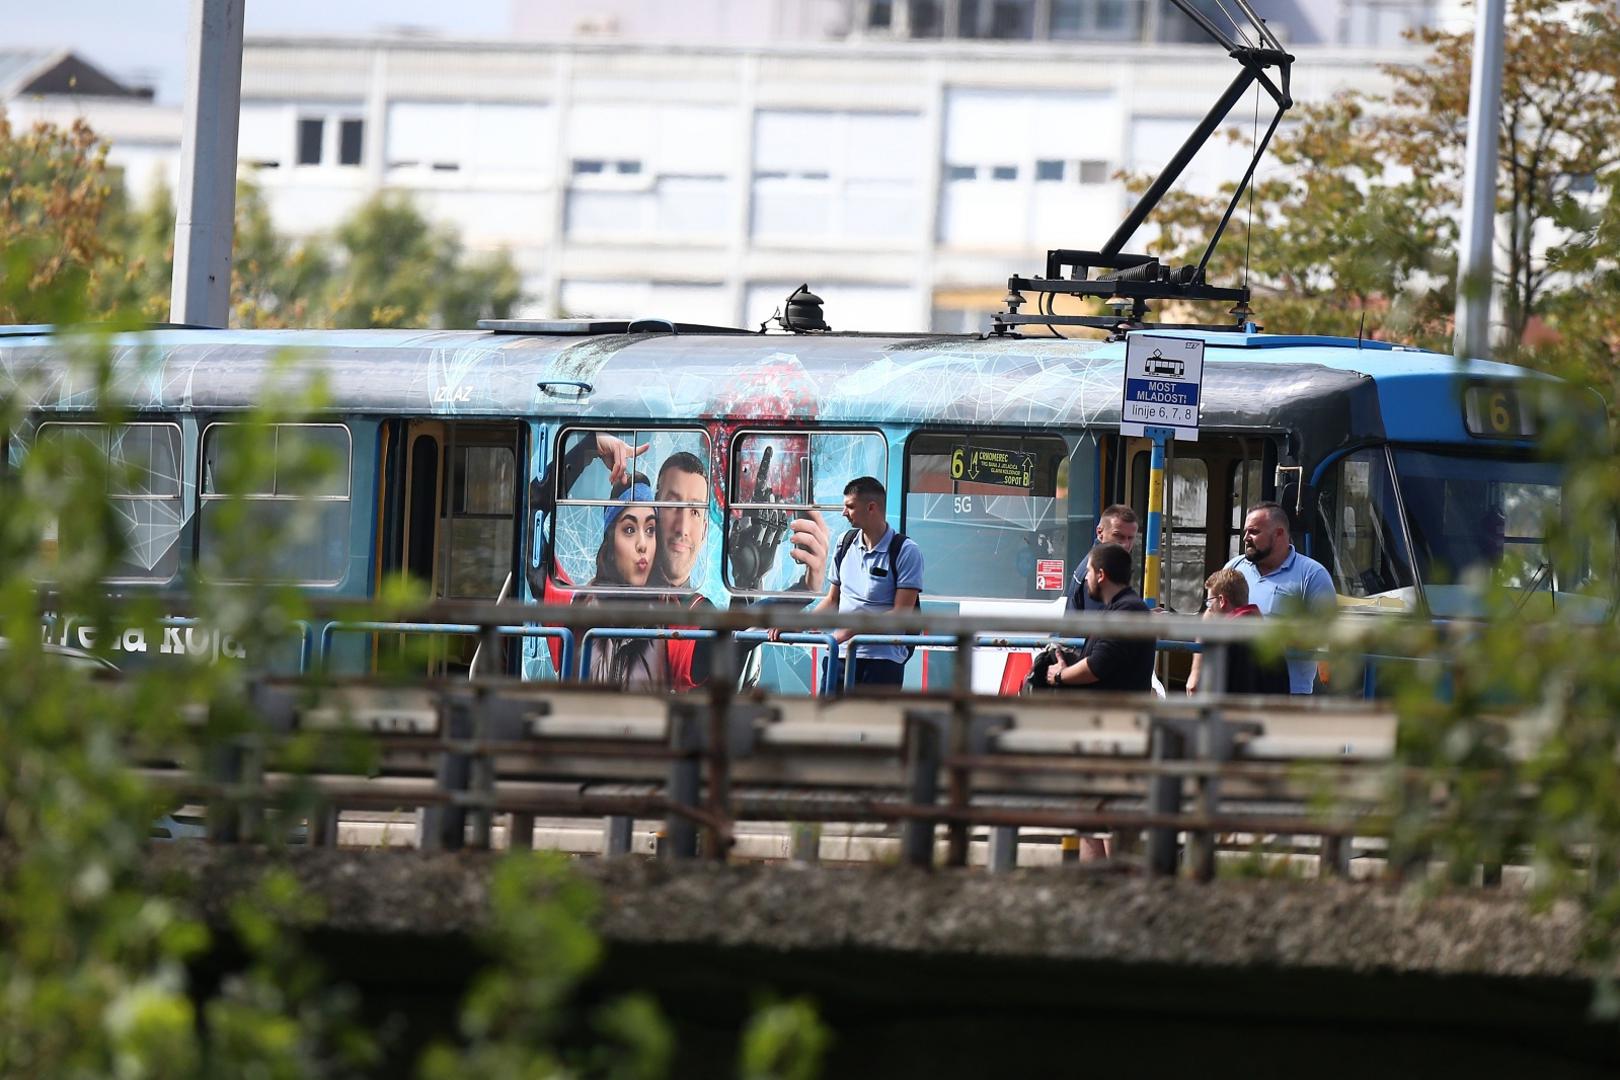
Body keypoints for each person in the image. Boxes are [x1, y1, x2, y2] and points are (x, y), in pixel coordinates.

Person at [774, 476, 922, 688]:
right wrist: (798, 625)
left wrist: (853, 629)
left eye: (850, 507)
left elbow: (901, 615)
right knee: (829, 720)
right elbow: (833, 601)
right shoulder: (845, 542)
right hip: (840, 654)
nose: (844, 513)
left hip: (882, 661)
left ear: (872, 508)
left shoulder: (905, 551)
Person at [1189, 501, 1336, 695]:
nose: (1246, 538)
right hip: (1234, 687)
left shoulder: (1312, 574)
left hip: (1287, 692)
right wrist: (1197, 672)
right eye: (1244, 532)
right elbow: (1209, 617)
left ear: (1279, 533)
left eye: (1254, 532)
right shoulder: (1234, 567)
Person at [576, 476, 667, 686]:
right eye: (629, 529)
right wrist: (590, 446)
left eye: (650, 530)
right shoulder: (579, 605)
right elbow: (530, 507)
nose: (642, 544)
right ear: (610, 539)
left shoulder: (671, 610)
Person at [1046, 542, 1156, 690]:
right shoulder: (1118, 608)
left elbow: (1097, 666)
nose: (1086, 580)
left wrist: (1060, 675)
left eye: (1089, 572)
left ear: (1101, 575)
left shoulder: (1127, 610)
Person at [1189, 568, 1290, 695]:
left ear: (1221, 600)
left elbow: (1211, 692)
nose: (1209, 610)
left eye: (1209, 603)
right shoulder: (1272, 639)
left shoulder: (1223, 641)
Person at [1066, 504, 1140, 612]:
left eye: (1130, 538)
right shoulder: (1096, 571)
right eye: (1118, 536)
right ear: (1100, 532)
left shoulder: (1100, 564)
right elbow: (1101, 624)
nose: (1125, 544)